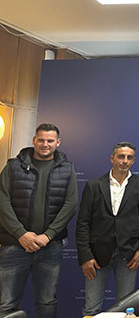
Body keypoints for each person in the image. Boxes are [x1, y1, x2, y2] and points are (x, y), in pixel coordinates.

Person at [0, 123, 78, 318]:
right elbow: (2, 202)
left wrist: (48, 235)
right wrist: (21, 234)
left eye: (50, 140)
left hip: (50, 247)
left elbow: (70, 204)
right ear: (34, 140)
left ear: (58, 142)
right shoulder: (13, 167)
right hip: (14, 245)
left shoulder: (67, 169)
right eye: (41, 140)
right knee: (7, 303)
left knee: (46, 302)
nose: (45, 144)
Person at [76, 142, 139, 316]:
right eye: (121, 156)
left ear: (133, 161)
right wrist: (85, 256)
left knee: (126, 309)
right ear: (112, 158)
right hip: (96, 255)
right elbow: (83, 223)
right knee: (91, 309)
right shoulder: (94, 185)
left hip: (128, 254)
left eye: (129, 157)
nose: (124, 161)